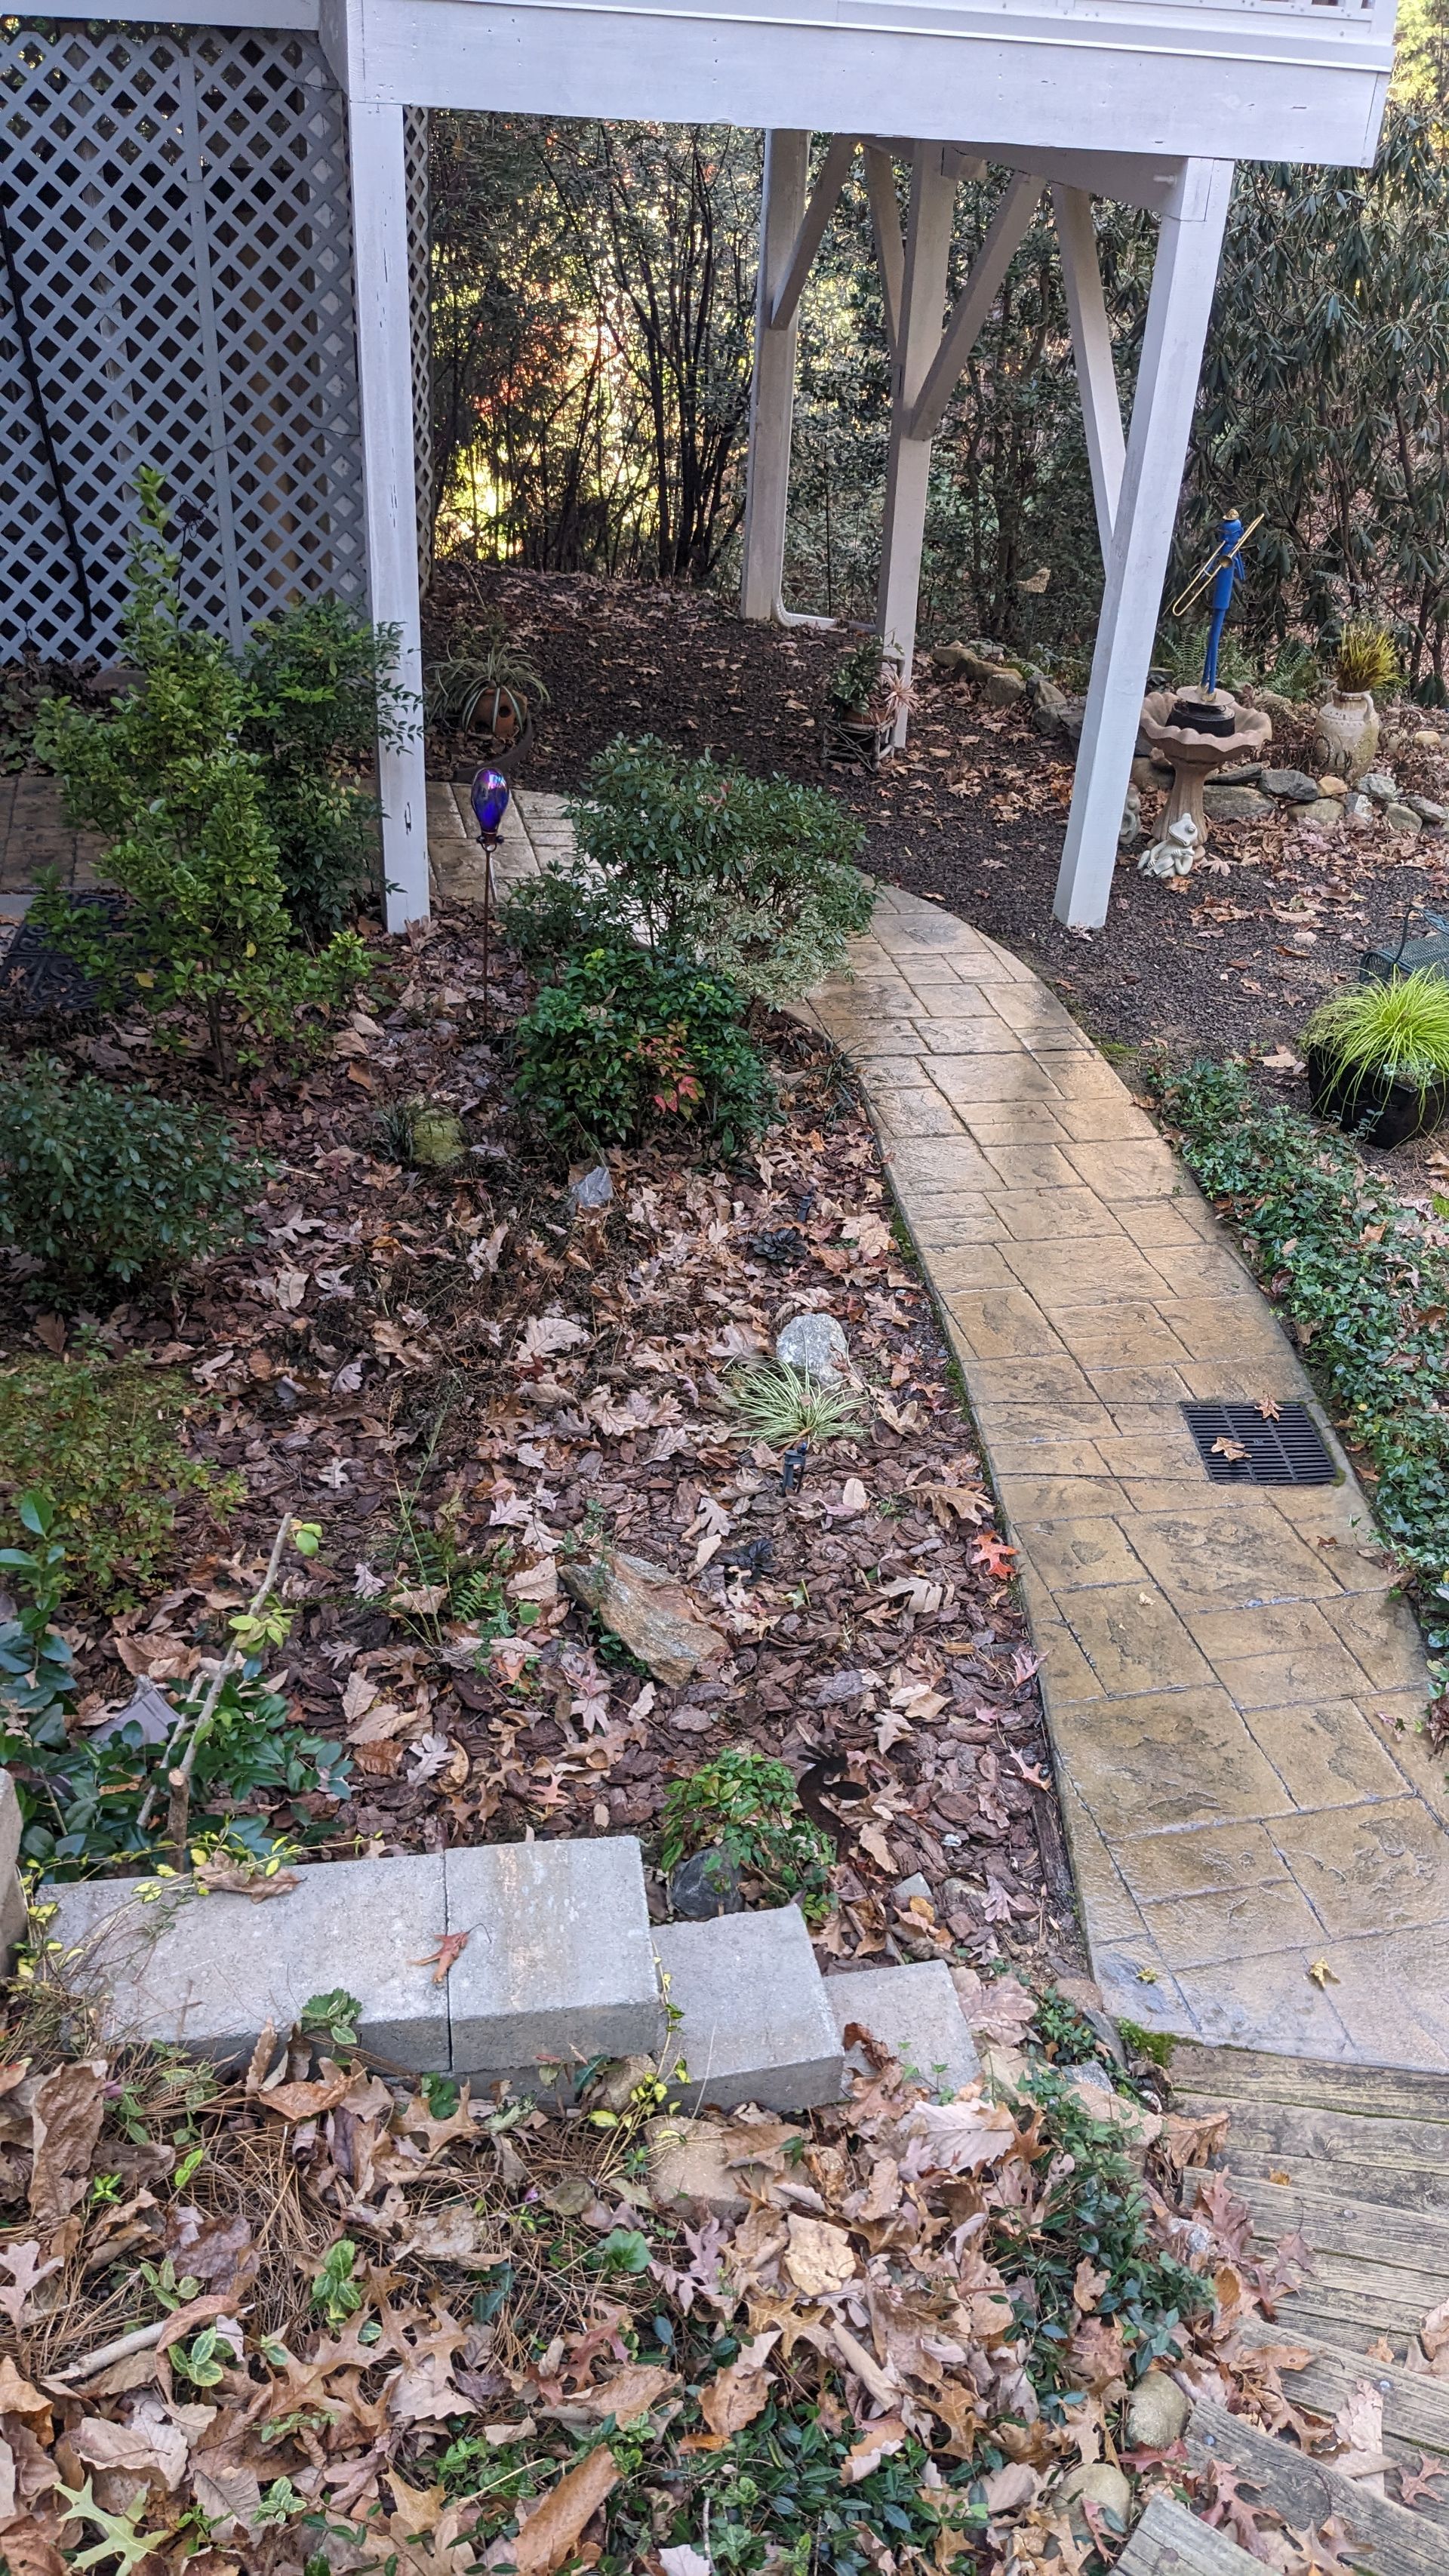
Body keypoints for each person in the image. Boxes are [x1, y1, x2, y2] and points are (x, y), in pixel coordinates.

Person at [1201, 510, 1245, 694]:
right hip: (1220, 594)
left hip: (1224, 595)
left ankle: (1209, 684)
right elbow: (1210, 565)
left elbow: (1240, 571)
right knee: (1214, 637)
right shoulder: (1224, 549)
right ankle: (1208, 685)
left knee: (1215, 637)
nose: (1226, 535)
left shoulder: (1232, 551)